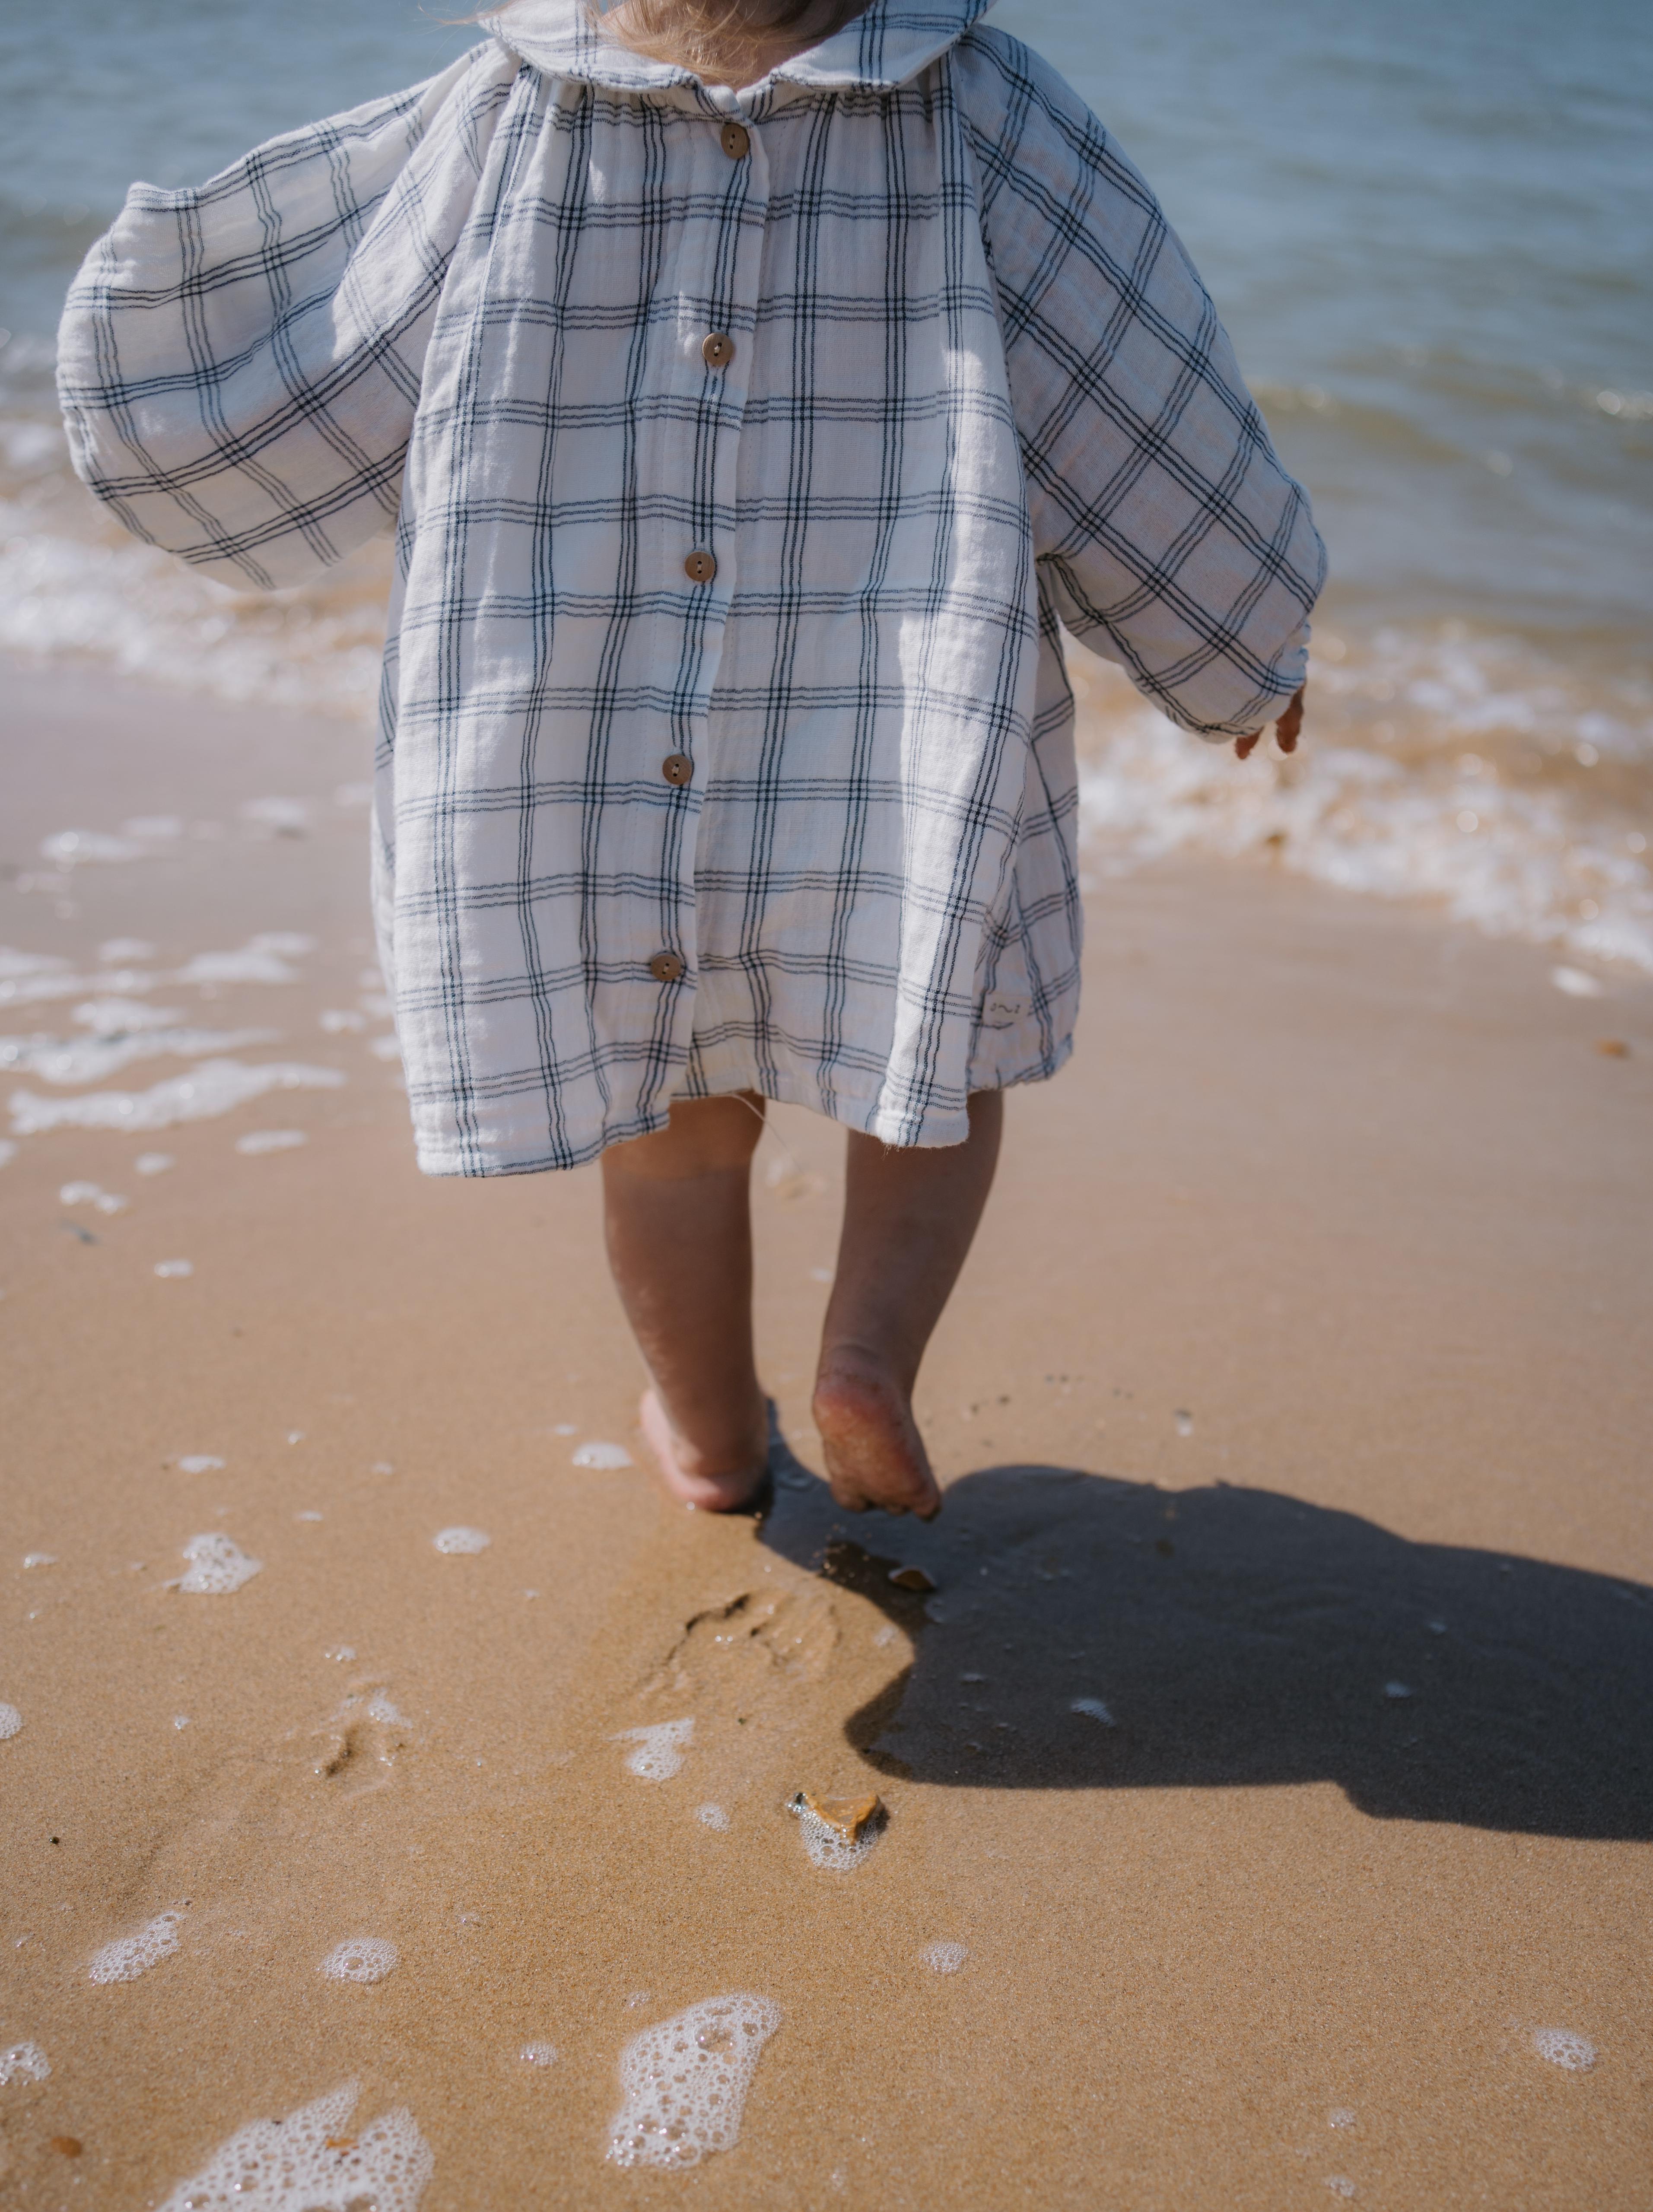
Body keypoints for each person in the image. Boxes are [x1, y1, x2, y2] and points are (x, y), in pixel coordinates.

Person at [57, 0, 1322, 1522]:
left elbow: (344, 356)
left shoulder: (515, 112)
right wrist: (1235, 636)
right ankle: (867, 1357)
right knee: (931, 1051)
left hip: (585, 734)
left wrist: (152, 411)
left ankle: (715, 1443)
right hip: (894, 731)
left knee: (668, 1134)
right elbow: (1133, 388)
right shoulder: (980, 107)